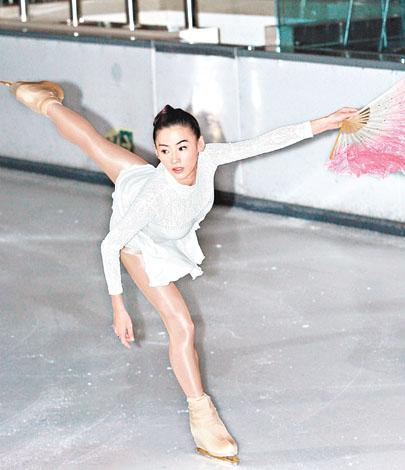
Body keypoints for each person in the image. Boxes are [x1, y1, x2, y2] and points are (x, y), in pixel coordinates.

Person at [2, 80, 358, 464]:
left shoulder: (209, 158)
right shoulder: (155, 192)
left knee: (93, 141)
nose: (174, 159)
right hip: (137, 242)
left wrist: (325, 122)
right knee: (183, 326)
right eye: (164, 150)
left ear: (200, 144)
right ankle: (202, 416)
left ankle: (44, 99)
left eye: (182, 147)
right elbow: (110, 244)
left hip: (141, 184)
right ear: (157, 151)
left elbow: (265, 142)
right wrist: (119, 306)